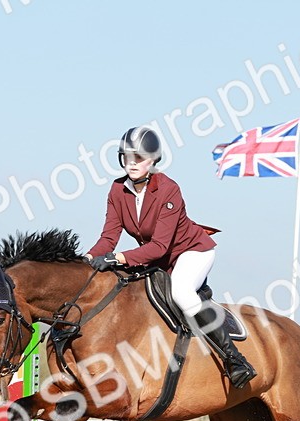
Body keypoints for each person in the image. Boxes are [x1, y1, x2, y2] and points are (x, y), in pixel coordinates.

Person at [84, 125, 256, 389]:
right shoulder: (117, 190)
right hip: (156, 259)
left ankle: (235, 359)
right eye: (126, 157)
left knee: (182, 293)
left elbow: (160, 246)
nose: (132, 163)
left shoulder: (168, 189)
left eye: (138, 157)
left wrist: (118, 258)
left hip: (191, 251)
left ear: (153, 160)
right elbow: (108, 238)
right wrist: (86, 259)